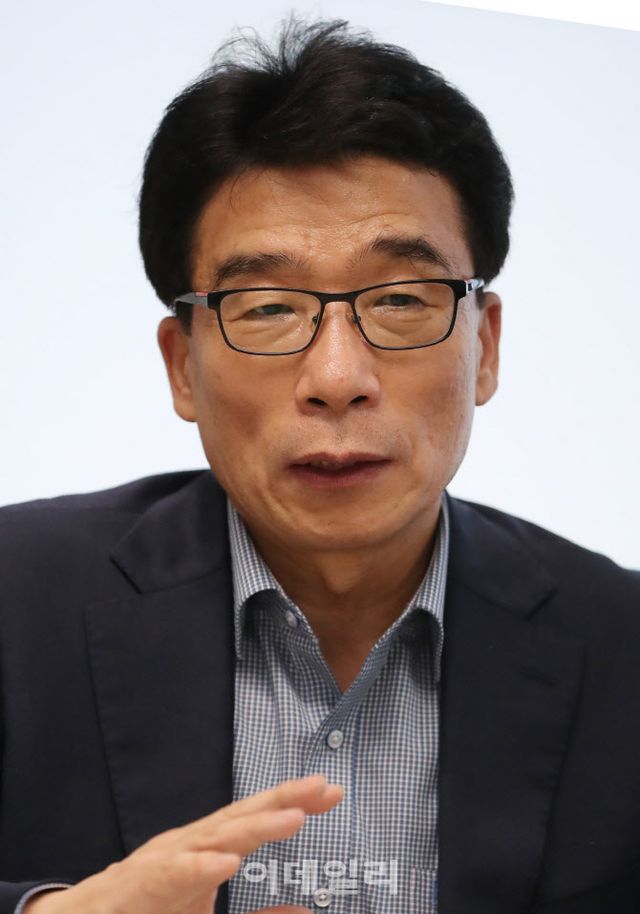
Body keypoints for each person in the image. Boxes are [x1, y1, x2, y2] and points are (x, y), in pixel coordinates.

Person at [1, 16, 639, 914]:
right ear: (182, 367)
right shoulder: (15, 599)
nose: (338, 378)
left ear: (485, 348)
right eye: (267, 308)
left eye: (402, 299)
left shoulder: (622, 649)